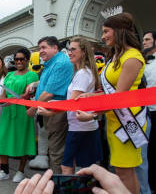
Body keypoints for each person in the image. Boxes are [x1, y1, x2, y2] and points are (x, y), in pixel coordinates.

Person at [76, 12, 147, 194]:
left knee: (125, 172)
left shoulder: (132, 57)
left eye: (106, 31)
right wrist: (91, 97)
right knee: (121, 170)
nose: (102, 36)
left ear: (119, 31)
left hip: (128, 120)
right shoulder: (115, 56)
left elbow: (118, 98)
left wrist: (91, 114)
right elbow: (110, 92)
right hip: (114, 119)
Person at [37, 37, 103, 174]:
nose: (70, 52)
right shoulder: (81, 72)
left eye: (73, 49)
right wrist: (53, 104)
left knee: (70, 166)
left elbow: (71, 104)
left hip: (82, 128)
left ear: (83, 52)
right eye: (69, 49)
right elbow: (72, 101)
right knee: (76, 166)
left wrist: (49, 112)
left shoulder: (83, 74)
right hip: (79, 126)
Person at [26, 36, 73, 174]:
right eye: (39, 48)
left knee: (56, 151)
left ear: (55, 48)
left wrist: (33, 108)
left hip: (56, 112)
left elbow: (49, 93)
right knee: (54, 149)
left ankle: (58, 183)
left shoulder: (60, 63)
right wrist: (34, 84)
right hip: (49, 111)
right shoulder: (51, 63)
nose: (40, 51)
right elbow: (45, 83)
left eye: (44, 47)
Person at [0, 48, 39, 182]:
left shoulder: (32, 75)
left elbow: (29, 94)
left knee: (22, 139)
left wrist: (16, 99)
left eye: (21, 59)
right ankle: (4, 171)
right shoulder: (9, 75)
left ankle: (20, 171)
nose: (18, 61)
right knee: (4, 140)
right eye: (16, 59)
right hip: (7, 112)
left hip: (23, 111)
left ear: (27, 60)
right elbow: (3, 94)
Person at [142, 31, 156, 193]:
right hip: (145, 112)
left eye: (148, 40)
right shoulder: (143, 63)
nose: (144, 42)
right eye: (143, 40)